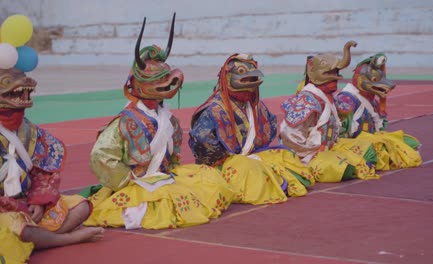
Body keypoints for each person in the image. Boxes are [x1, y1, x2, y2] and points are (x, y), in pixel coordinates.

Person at [83, 15, 233, 230]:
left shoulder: (169, 119)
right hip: (137, 182)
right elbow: (101, 157)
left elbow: (173, 157)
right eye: (156, 81)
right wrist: (129, 179)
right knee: (156, 206)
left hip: (163, 177)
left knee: (209, 180)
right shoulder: (125, 121)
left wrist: (170, 172)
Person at [0, 67, 104, 263]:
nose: (23, 95)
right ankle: (65, 239)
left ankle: (40, 240)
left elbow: (43, 172)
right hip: (5, 208)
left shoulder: (30, 131)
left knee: (80, 207)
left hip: (27, 203)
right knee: (17, 227)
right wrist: (16, 207)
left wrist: (38, 202)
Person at [189, 53, 313, 205]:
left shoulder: (256, 106)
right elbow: (204, 145)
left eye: (251, 79)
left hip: (251, 155)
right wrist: (231, 158)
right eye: (244, 79)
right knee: (249, 169)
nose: (249, 83)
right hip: (222, 163)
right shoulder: (212, 110)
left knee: (285, 156)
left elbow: (269, 130)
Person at [279, 41, 379, 183]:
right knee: (342, 167)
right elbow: (289, 135)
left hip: (330, 147)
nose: (335, 77)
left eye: (336, 73)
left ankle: (349, 165)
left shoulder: (328, 97)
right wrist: (309, 153)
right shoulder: (306, 101)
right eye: (330, 73)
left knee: (367, 148)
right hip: (309, 155)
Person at [335, 53, 422, 170]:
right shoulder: (347, 100)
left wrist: (382, 110)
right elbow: (339, 131)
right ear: (360, 79)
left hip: (373, 140)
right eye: (375, 80)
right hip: (355, 144)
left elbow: (379, 127)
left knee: (410, 143)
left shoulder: (373, 101)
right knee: (378, 152)